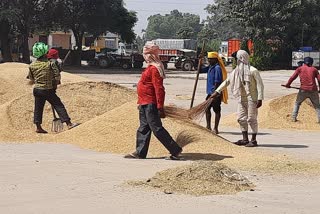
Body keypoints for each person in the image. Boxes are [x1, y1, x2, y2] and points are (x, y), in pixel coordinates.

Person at [124, 42, 182, 160]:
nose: (144, 57)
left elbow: (159, 88)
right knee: (143, 128)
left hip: (151, 104)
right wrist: (140, 102)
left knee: (157, 129)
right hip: (144, 103)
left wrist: (160, 106)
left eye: (145, 54)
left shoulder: (155, 69)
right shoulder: (149, 68)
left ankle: (175, 150)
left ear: (150, 55)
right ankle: (140, 152)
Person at [210, 50, 264, 147]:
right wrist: (217, 91)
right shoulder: (236, 72)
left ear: (241, 58)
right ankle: (245, 139)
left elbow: (260, 85)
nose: (236, 61)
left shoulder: (253, 71)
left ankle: (254, 140)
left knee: (251, 119)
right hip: (241, 98)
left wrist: (260, 99)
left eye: (236, 59)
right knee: (241, 118)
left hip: (252, 98)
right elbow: (227, 82)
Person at [28, 42, 78, 133]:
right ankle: (69, 123)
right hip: (48, 90)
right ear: (45, 53)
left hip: (37, 90)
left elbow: (31, 78)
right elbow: (57, 76)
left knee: (38, 108)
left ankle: (38, 127)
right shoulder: (50, 64)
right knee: (58, 105)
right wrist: (54, 84)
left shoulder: (32, 65)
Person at [284, 57, 320, 123]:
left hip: (303, 90)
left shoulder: (300, 69)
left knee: (297, 103)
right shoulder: (314, 69)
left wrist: (288, 85)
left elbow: (292, 77)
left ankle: (293, 118)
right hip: (313, 90)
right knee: (317, 106)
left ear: (304, 62)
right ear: (311, 63)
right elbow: (319, 80)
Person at [202, 52, 228, 134]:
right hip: (210, 92)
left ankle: (215, 128)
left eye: (210, 59)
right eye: (208, 59)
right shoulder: (210, 67)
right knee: (207, 108)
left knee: (216, 110)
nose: (209, 60)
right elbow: (202, 70)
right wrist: (200, 62)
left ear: (215, 59)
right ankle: (208, 126)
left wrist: (216, 93)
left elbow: (218, 81)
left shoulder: (217, 68)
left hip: (215, 93)